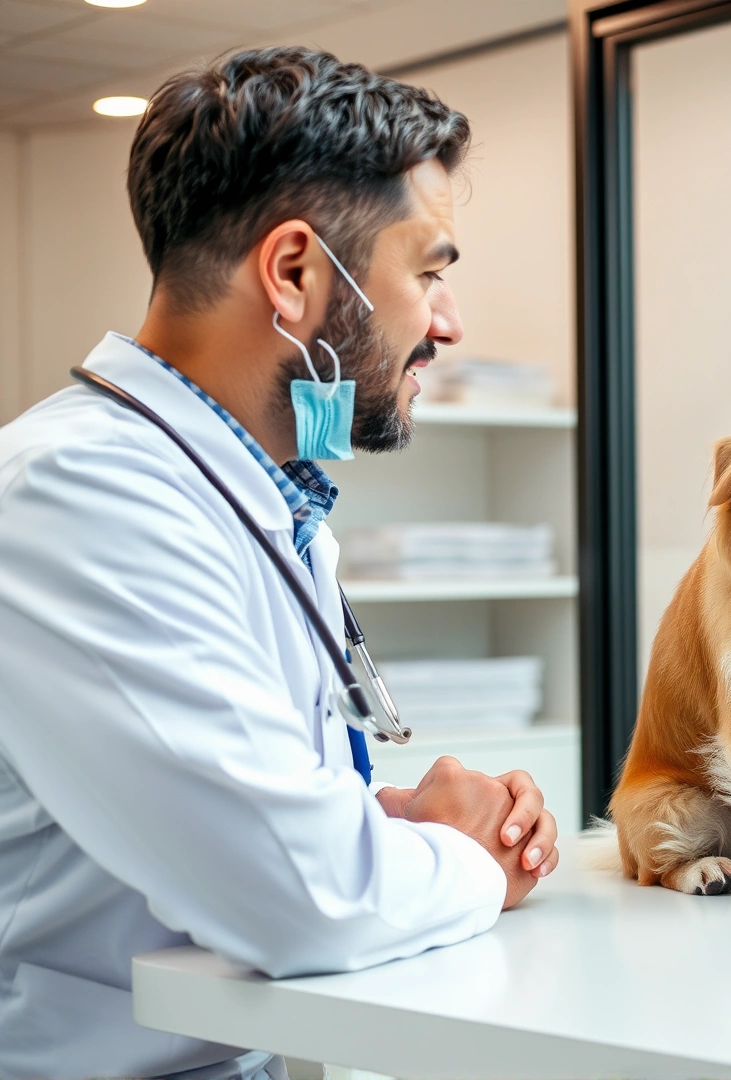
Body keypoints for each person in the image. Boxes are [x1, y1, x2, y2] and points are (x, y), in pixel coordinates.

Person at [0, 49, 561, 1080]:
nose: (446, 323)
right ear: (296, 273)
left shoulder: (258, 494)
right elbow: (306, 900)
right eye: (429, 270)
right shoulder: (77, 494)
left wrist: (392, 824)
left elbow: (233, 822)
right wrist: (468, 855)